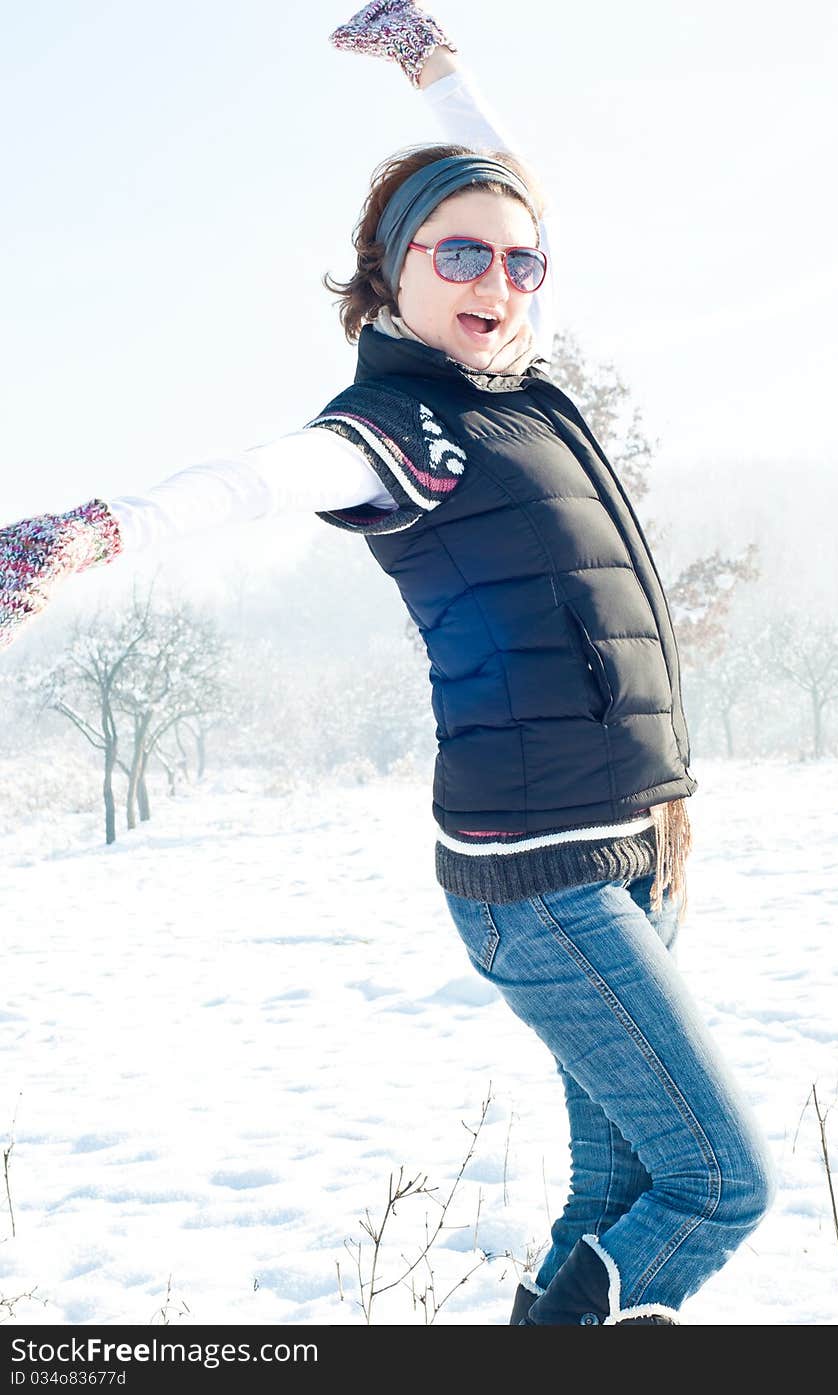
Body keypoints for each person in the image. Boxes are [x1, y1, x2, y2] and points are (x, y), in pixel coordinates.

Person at [0, 2, 776, 1325]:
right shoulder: (389, 430)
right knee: (716, 1186)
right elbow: (246, 483)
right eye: (459, 253)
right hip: (538, 877)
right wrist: (92, 532)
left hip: (644, 841)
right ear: (389, 273)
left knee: (615, 1185)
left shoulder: (522, 383)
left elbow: (510, 174)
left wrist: (435, 67)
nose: (498, 281)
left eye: (522, 262)